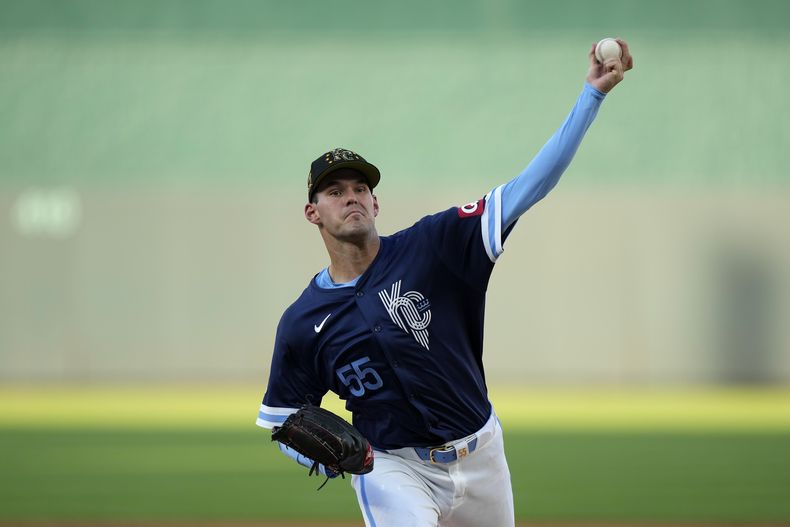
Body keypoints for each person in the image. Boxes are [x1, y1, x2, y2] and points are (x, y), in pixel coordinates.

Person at [256, 40, 633, 527]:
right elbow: (284, 421)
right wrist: (330, 459)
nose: (351, 197)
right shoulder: (303, 322)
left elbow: (529, 185)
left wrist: (592, 97)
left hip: (482, 455)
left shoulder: (434, 245)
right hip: (392, 467)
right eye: (334, 191)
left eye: (361, 189)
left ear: (375, 204)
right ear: (313, 212)